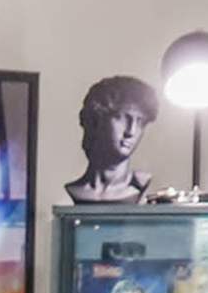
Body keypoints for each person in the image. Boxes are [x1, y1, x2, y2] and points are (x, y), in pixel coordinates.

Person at [65, 75, 160, 203]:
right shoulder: (69, 193)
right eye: (123, 118)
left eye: (140, 122)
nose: (131, 131)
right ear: (97, 119)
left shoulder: (148, 187)